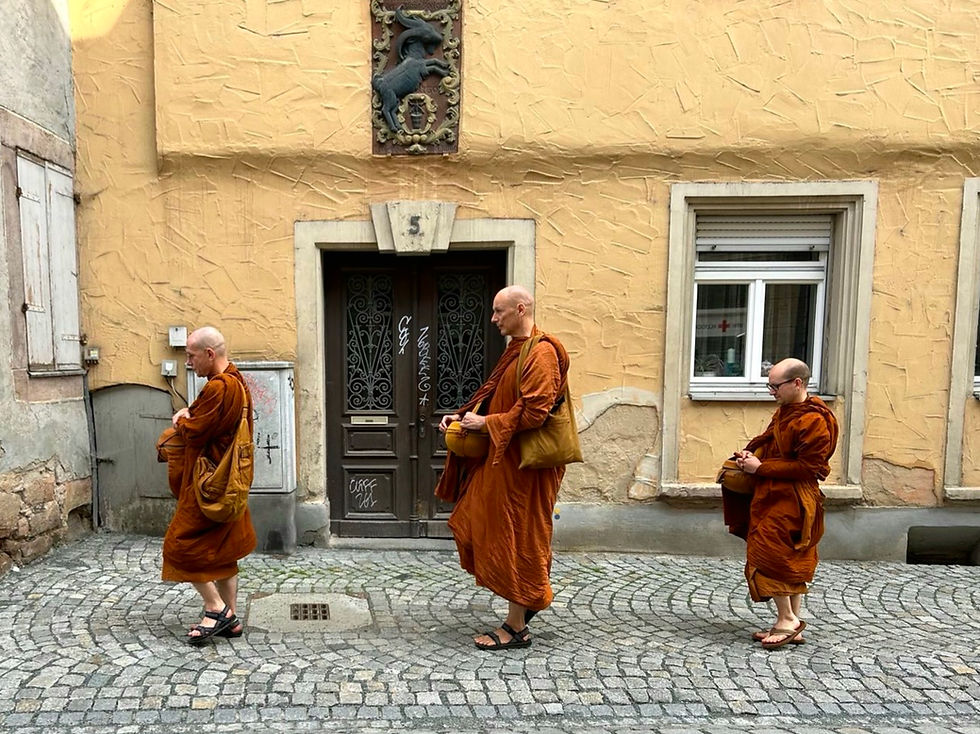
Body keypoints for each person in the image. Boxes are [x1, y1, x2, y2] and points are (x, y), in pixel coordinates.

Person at [435, 285, 571, 651]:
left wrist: (488, 424)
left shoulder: (541, 353)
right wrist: (465, 417)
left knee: (519, 535)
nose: (493, 318)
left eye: (499, 311)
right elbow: (496, 394)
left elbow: (535, 411)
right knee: (474, 521)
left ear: (520, 309)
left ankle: (517, 626)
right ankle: (526, 601)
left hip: (527, 466)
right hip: (504, 459)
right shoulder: (517, 350)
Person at [724, 358, 839, 649]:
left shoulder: (814, 420)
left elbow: (808, 468)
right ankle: (792, 623)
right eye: (769, 385)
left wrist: (760, 468)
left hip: (793, 501)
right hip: (773, 496)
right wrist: (749, 454)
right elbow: (770, 441)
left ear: (797, 383)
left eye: (775, 386)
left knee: (770, 556)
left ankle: (787, 620)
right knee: (787, 559)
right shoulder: (787, 412)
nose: (770, 391)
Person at [160, 326, 256, 645]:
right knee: (224, 551)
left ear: (209, 354)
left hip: (209, 483)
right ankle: (231, 617)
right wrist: (193, 412)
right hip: (231, 482)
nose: (189, 362)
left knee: (178, 545)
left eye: (191, 356)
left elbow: (197, 432)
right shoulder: (238, 380)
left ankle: (216, 610)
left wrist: (182, 419)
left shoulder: (219, 387)